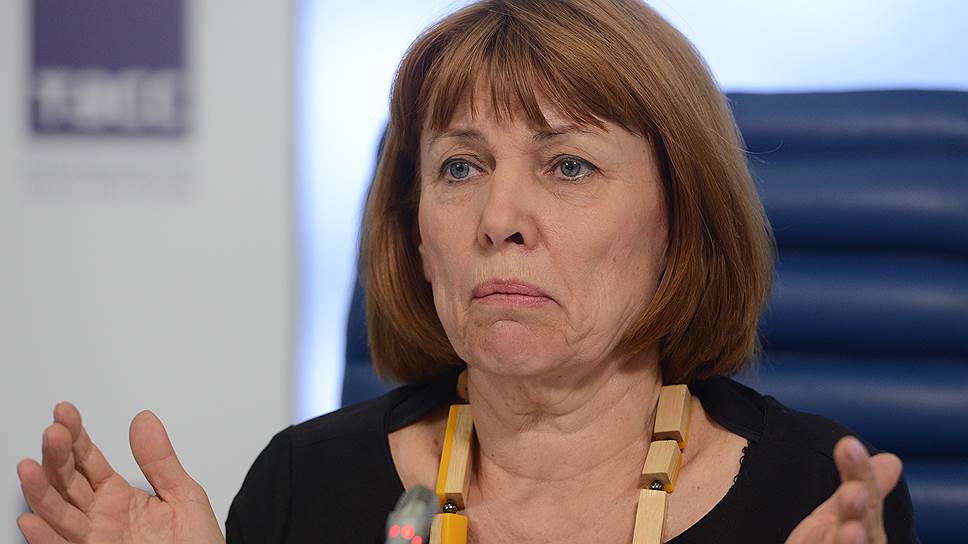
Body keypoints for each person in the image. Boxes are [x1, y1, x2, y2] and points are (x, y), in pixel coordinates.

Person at [16, 0, 918, 542]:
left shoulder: (815, 496)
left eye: (569, 165)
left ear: (681, 227)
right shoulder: (305, 489)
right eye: (460, 167)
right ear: (416, 237)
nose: (498, 219)